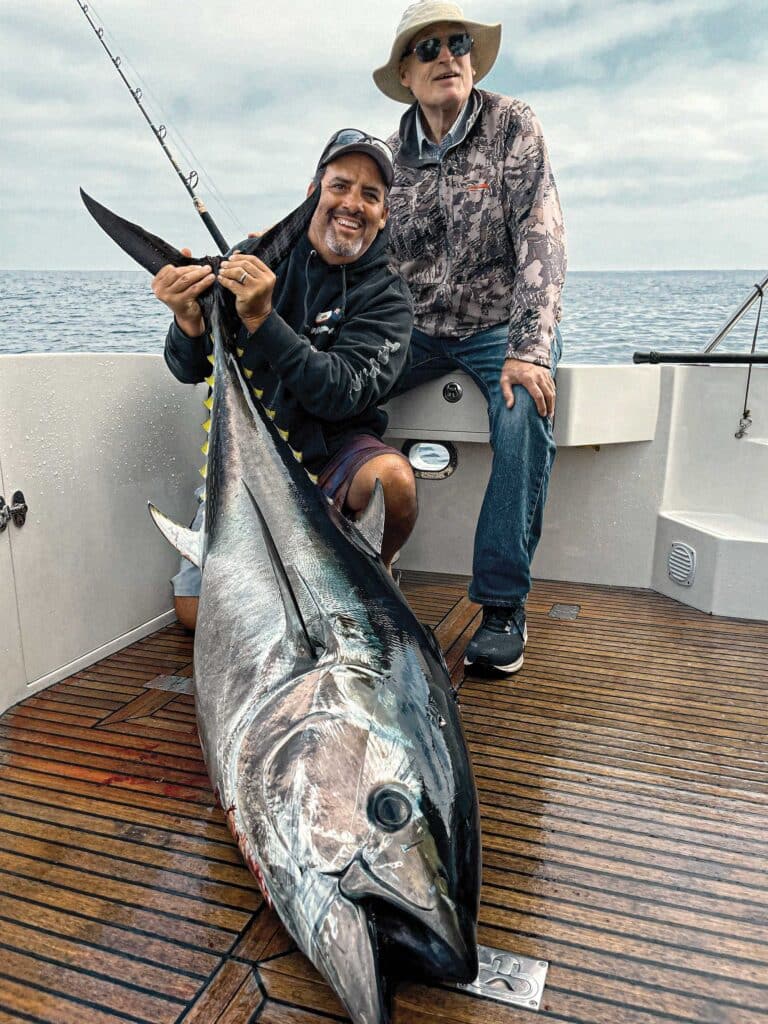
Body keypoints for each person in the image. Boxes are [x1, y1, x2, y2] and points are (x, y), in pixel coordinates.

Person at [152, 131, 417, 629]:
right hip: (249, 454)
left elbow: (341, 392)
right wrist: (187, 320)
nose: (353, 203)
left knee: (395, 482)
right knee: (194, 615)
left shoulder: (387, 296)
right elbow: (189, 368)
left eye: (370, 195)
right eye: (340, 186)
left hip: (334, 454)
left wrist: (262, 320)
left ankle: (373, 572)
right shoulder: (257, 258)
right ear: (313, 192)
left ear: (384, 214)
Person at [373, 1, 567, 675]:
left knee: (523, 409)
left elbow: (542, 232)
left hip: (500, 325)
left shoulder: (513, 125)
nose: (446, 56)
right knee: (330, 390)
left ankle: (502, 605)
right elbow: (344, 238)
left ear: (475, 61)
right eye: (427, 48)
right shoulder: (386, 157)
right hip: (414, 329)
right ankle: (355, 566)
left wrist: (529, 349)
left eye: (457, 42)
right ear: (405, 73)